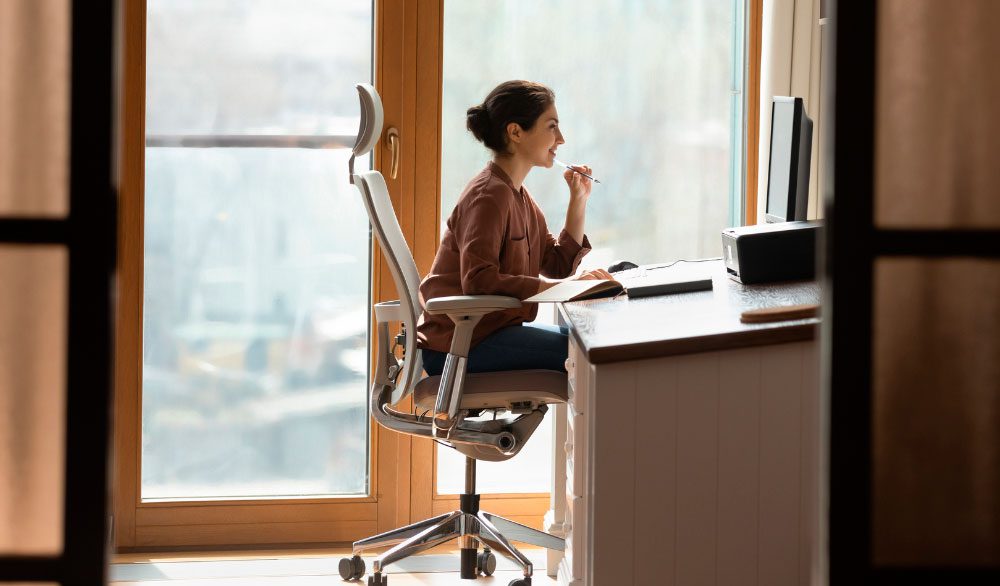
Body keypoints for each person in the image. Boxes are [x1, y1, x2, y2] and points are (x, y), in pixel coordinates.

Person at [416, 80, 610, 375]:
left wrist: (578, 200)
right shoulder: (488, 196)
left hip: (485, 337)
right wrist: (566, 288)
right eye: (552, 126)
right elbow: (479, 281)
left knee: (587, 342)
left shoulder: (518, 195)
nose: (561, 138)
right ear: (516, 132)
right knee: (586, 351)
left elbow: (557, 265)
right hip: (459, 345)